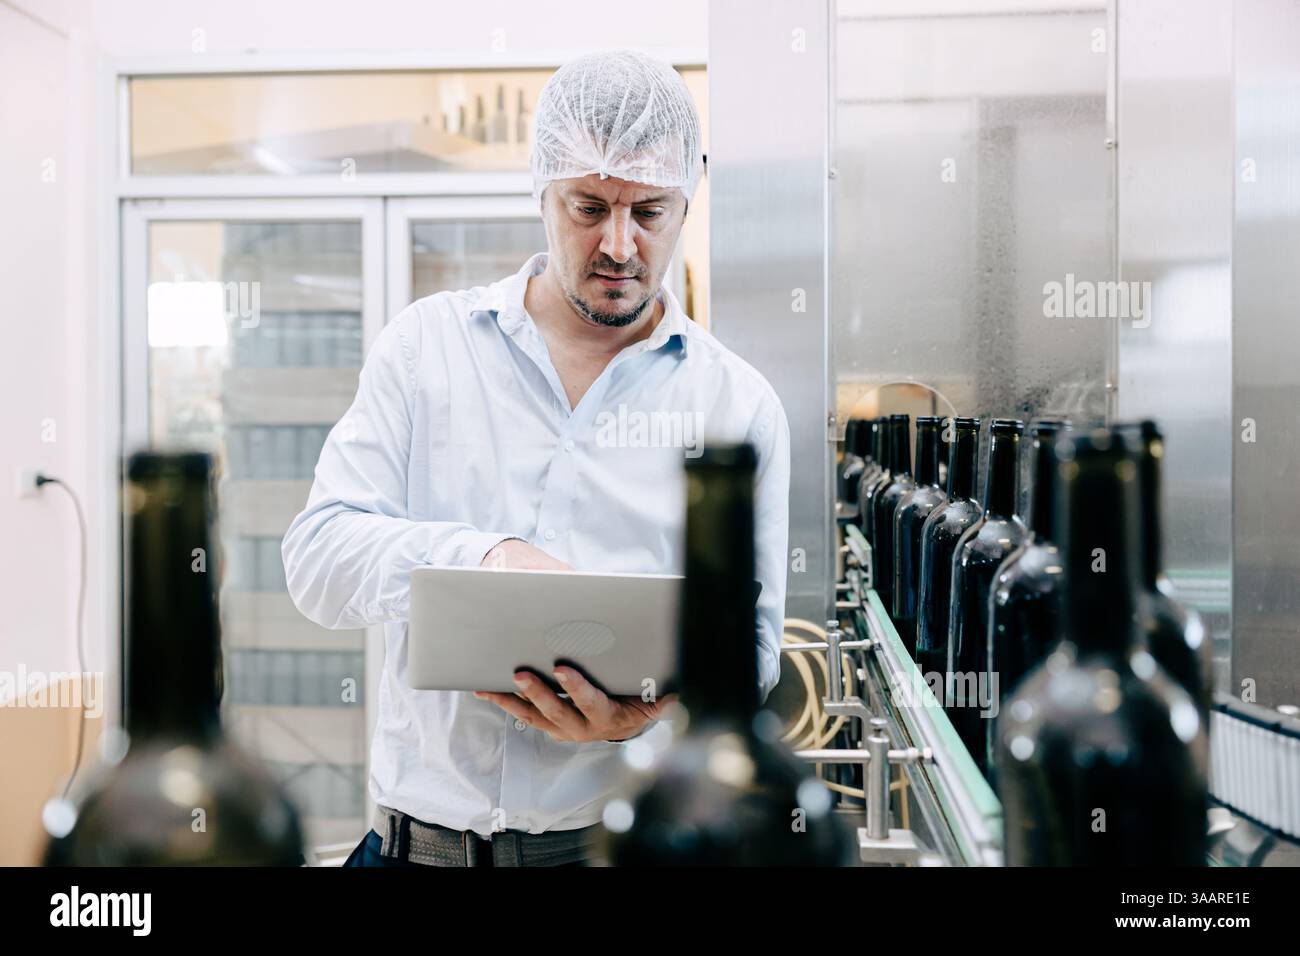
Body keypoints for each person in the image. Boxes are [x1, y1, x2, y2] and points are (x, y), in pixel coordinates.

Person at [282, 50, 790, 867]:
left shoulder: (736, 407)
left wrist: (653, 705)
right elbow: (316, 558)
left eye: (650, 212)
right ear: (541, 193)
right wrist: (483, 556)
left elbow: (756, 649)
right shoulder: (427, 350)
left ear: (687, 202)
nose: (619, 245)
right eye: (589, 206)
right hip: (415, 850)